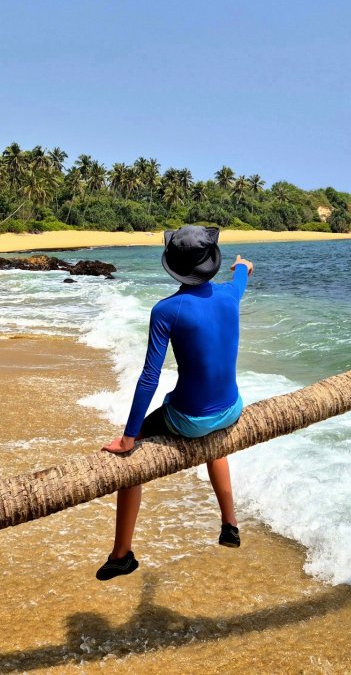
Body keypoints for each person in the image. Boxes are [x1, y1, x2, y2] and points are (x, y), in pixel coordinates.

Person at [96, 225, 253, 580]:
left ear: (172, 264)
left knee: (130, 464)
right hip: (231, 410)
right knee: (215, 442)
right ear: (212, 262)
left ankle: (122, 554)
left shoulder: (167, 310)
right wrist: (242, 265)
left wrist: (128, 437)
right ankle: (230, 523)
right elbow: (243, 275)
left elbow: (150, 376)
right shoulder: (231, 294)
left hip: (189, 418)